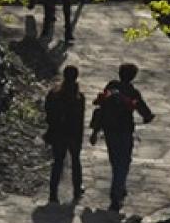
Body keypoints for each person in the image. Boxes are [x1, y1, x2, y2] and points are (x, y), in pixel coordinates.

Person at [90, 62, 155, 212]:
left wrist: (95, 131)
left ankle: (120, 187)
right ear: (133, 77)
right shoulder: (133, 92)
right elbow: (145, 112)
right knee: (123, 162)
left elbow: (102, 107)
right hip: (124, 130)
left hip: (109, 129)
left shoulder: (111, 86)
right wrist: (148, 117)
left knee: (114, 159)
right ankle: (116, 195)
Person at [43, 65, 85, 204]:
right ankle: (77, 190)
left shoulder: (54, 93)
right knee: (75, 162)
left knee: (58, 163)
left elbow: (48, 112)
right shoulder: (79, 96)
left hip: (58, 132)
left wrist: (51, 127)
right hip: (73, 133)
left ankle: (53, 193)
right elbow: (80, 119)